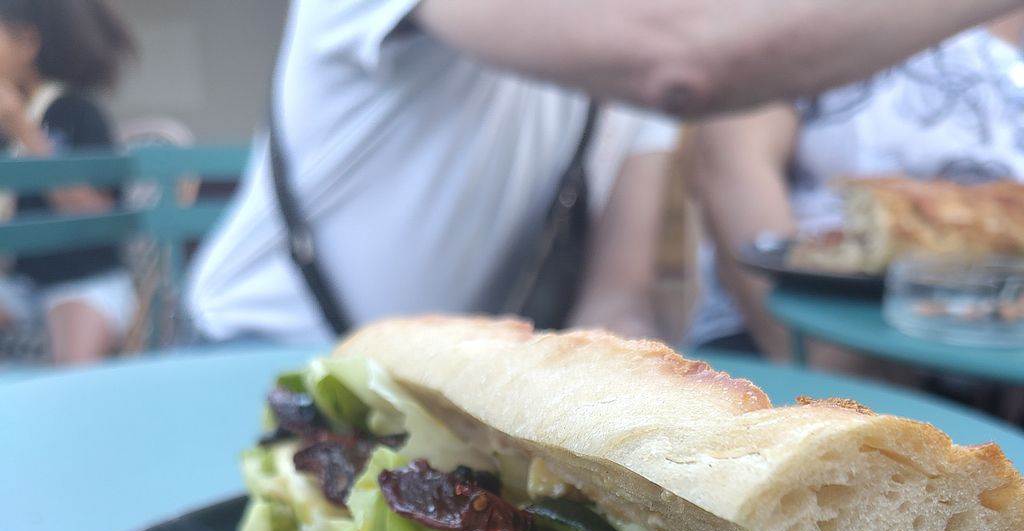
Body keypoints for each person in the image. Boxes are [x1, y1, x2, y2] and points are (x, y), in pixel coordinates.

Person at [187, 0, 1018, 346]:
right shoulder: (644, 45)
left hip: (437, 396)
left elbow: (616, 296)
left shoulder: (617, 75)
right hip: (261, 354)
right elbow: (682, 62)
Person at [685, 11, 1024, 362]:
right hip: (806, 327)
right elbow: (732, 163)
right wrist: (818, 359)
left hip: (989, 339)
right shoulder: (796, 20)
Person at [0, 0, 137, 366]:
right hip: (21, 284)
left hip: (85, 279)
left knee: (72, 364)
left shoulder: (77, 111)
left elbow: (96, 211)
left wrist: (23, 128)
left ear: (27, 44)